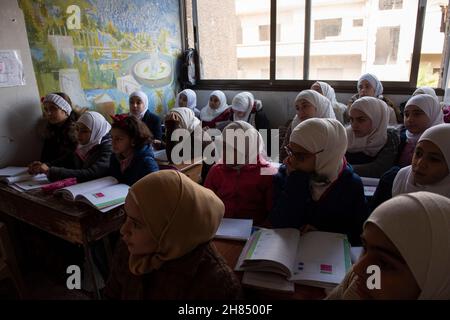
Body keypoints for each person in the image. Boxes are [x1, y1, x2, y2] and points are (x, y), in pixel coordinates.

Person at [103, 170, 242, 300]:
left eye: (137, 224)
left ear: (170, 229)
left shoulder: (216, 285)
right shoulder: (128, 250)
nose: (123, 230)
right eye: (126, 217)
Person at [327, 191, 450, 300]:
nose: (358, 268)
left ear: (435, 281)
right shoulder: (359, 285)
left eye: (384, 263)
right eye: (365, 248)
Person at [270, 118, 367, 246]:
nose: (290, 160)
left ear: (326, 154)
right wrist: (297, 180)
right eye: (290, 151)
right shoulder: (286, 174)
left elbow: (358, 233)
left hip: (328, 254)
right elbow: (280, 223)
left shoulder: (350, 185)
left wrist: (324, 233)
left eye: (300, 156)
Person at [204, 121, 277, 226]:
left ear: (248, 149)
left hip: (255, 230)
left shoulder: (266, 172)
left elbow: (273, 212)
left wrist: (260, 230)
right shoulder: (217, 171)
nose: (224, 152)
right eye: (223, 146)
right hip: (221, 229)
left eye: (232, 148)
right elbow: (206, 205)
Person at [29, 111, 112, 182]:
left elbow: (91, 174)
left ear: (96, 130)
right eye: (77, 129)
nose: (78, 134)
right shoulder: (84, 146)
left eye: (84, 131)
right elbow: (67, 160)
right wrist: (44, 166)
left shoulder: (107, 148)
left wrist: (50, 171)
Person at [346, 97, 399, 178]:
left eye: (361, 120)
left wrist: (343, 169)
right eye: (351, 119)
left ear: (376, 118)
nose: (354, 125)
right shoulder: (347, 134)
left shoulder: (389, 137)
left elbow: (379, 169)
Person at [280, 90, 336, 161]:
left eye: (305, 106)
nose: (300, 112)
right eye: (297, 108)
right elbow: (283, 155)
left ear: (318, 106)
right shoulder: (295, 124)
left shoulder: (331, 129)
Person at [29, 92, 79, 170]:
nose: (48, 113)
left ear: (65, 110)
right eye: (46, 109)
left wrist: (47, 166)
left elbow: (73, 160)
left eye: (53, 108)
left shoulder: (79, 130)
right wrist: (39, 165)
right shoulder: (50, 130)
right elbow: (45, 157)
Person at [109, 114, 159, 186]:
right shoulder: (114, 157)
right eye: (112, 138)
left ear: (133, 140)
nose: (113, 142)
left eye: (118, 139)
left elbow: (156, 187)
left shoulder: (146, 163)